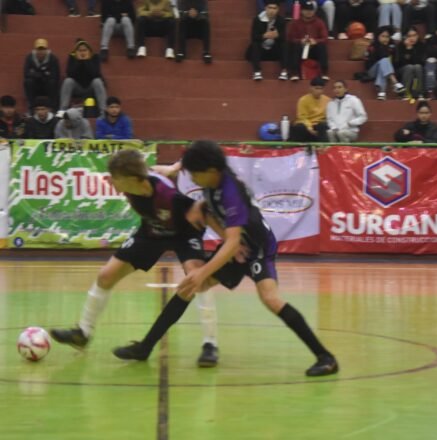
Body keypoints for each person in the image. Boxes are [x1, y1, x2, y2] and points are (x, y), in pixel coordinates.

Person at [112, 140, 339, 377]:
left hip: (257, 247)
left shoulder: (230, 193)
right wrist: (180, 179)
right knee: (188, 287)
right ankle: (144, 347)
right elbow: (197, 154)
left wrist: (203, 271)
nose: (194, 180)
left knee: (269, 299)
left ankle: (326, 357)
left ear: (210, 172)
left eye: (195, 175)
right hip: (240, 244)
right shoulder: (214, 174)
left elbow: (231, 244)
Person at [50, 148, 220, 367]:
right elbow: (156, 170)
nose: (111, 182)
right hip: (152, 230)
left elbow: (203, 208)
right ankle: (83, 332)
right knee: (106, 275)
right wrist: (173, 167)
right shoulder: (139, 179)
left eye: (115, 178)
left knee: (198, 279)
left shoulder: (169, 197)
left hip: (184, 234)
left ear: (131, 179)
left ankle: (210, 344)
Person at [59, 38, 107, 115]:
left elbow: (95, 73)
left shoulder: (95, 57)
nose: (82, 52)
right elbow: (70, 73)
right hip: (77, 87)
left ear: (89, 51)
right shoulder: (72, 58)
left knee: (97, 81)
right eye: (80, 50)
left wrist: (87, 61)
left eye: (84, 50)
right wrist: (79, 61)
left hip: (90, 87)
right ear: (76, 51)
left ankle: (103, 111)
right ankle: (62, 110)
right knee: (68, 81)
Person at [286, 1, 329, 81]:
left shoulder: (319, 22)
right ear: (302, 11)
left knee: (322, 46)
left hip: (314, 49)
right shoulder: (295, 23)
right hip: (300, 48)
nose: (309, 12)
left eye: (311, 10)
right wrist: (300, 41)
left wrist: (315, 41)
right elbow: (290, 38)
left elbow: (325, 38)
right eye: (306, 10)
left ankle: (324, 72)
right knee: (294, 47)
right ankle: (294, 73)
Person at [245, 0, 288, 80]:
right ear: (265, 8)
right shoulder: (257, 19)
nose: (272, 10)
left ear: (278, 9)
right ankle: (257, 71)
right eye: (270, 8)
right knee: (255, 44)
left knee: (284, 45)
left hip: (274, 50)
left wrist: (277, 36)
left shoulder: (281, 20)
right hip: (261, 50)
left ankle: (284, 71)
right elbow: (254, 37)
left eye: (274, 8)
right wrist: (264, 36)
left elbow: (284, 37)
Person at [364, 26, 406, 100]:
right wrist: (383, 48)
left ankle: (382, 92)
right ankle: (395, 82)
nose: (385, 39)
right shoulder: (373, 46)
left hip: (385, 71)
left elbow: (397, 62)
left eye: (387, 37)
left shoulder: (392, 47)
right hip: (372, 71)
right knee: (383, 61)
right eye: (383, 36)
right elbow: (368, 64)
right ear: (378, 36)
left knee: (382, 66)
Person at [23, 38, 60, 112]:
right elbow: (26, 73)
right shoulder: (29, 58)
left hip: (48, 85)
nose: (41, 51)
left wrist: (36, 74)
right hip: (35, 85)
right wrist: (43, 74)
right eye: (39, 49)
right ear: (35, 50)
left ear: (46, 50)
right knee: (28, 82)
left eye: (43, 49)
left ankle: (53, 108)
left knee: (53, 82)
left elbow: (56, 75)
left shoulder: (53, 58)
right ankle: (31, 107)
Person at [290, 76, 330, 142]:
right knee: (299, 127)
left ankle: (323, 148)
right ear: (311, 88)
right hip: (307, 126)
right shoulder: (303, 100)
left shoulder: (328, 100)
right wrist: (309, 128)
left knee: (323, 125)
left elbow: (328, 117)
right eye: (316, 88)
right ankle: (297, 149)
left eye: (321, 89)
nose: (319, 91)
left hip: (319, 127)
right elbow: (302, 117)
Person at [393, 26, 425, 100]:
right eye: (410, 36)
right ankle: (404, 93)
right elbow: (398, 63)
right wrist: (407, 49)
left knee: (417, 67)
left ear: (418, 36)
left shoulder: (421, 45)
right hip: (401, 70)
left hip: (418, 70)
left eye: (414, 35)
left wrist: (411, 50)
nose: (412, 38)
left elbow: (421, 62)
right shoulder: (400, 46)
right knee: (409, 67)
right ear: (405, 37)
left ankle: (418, 93)